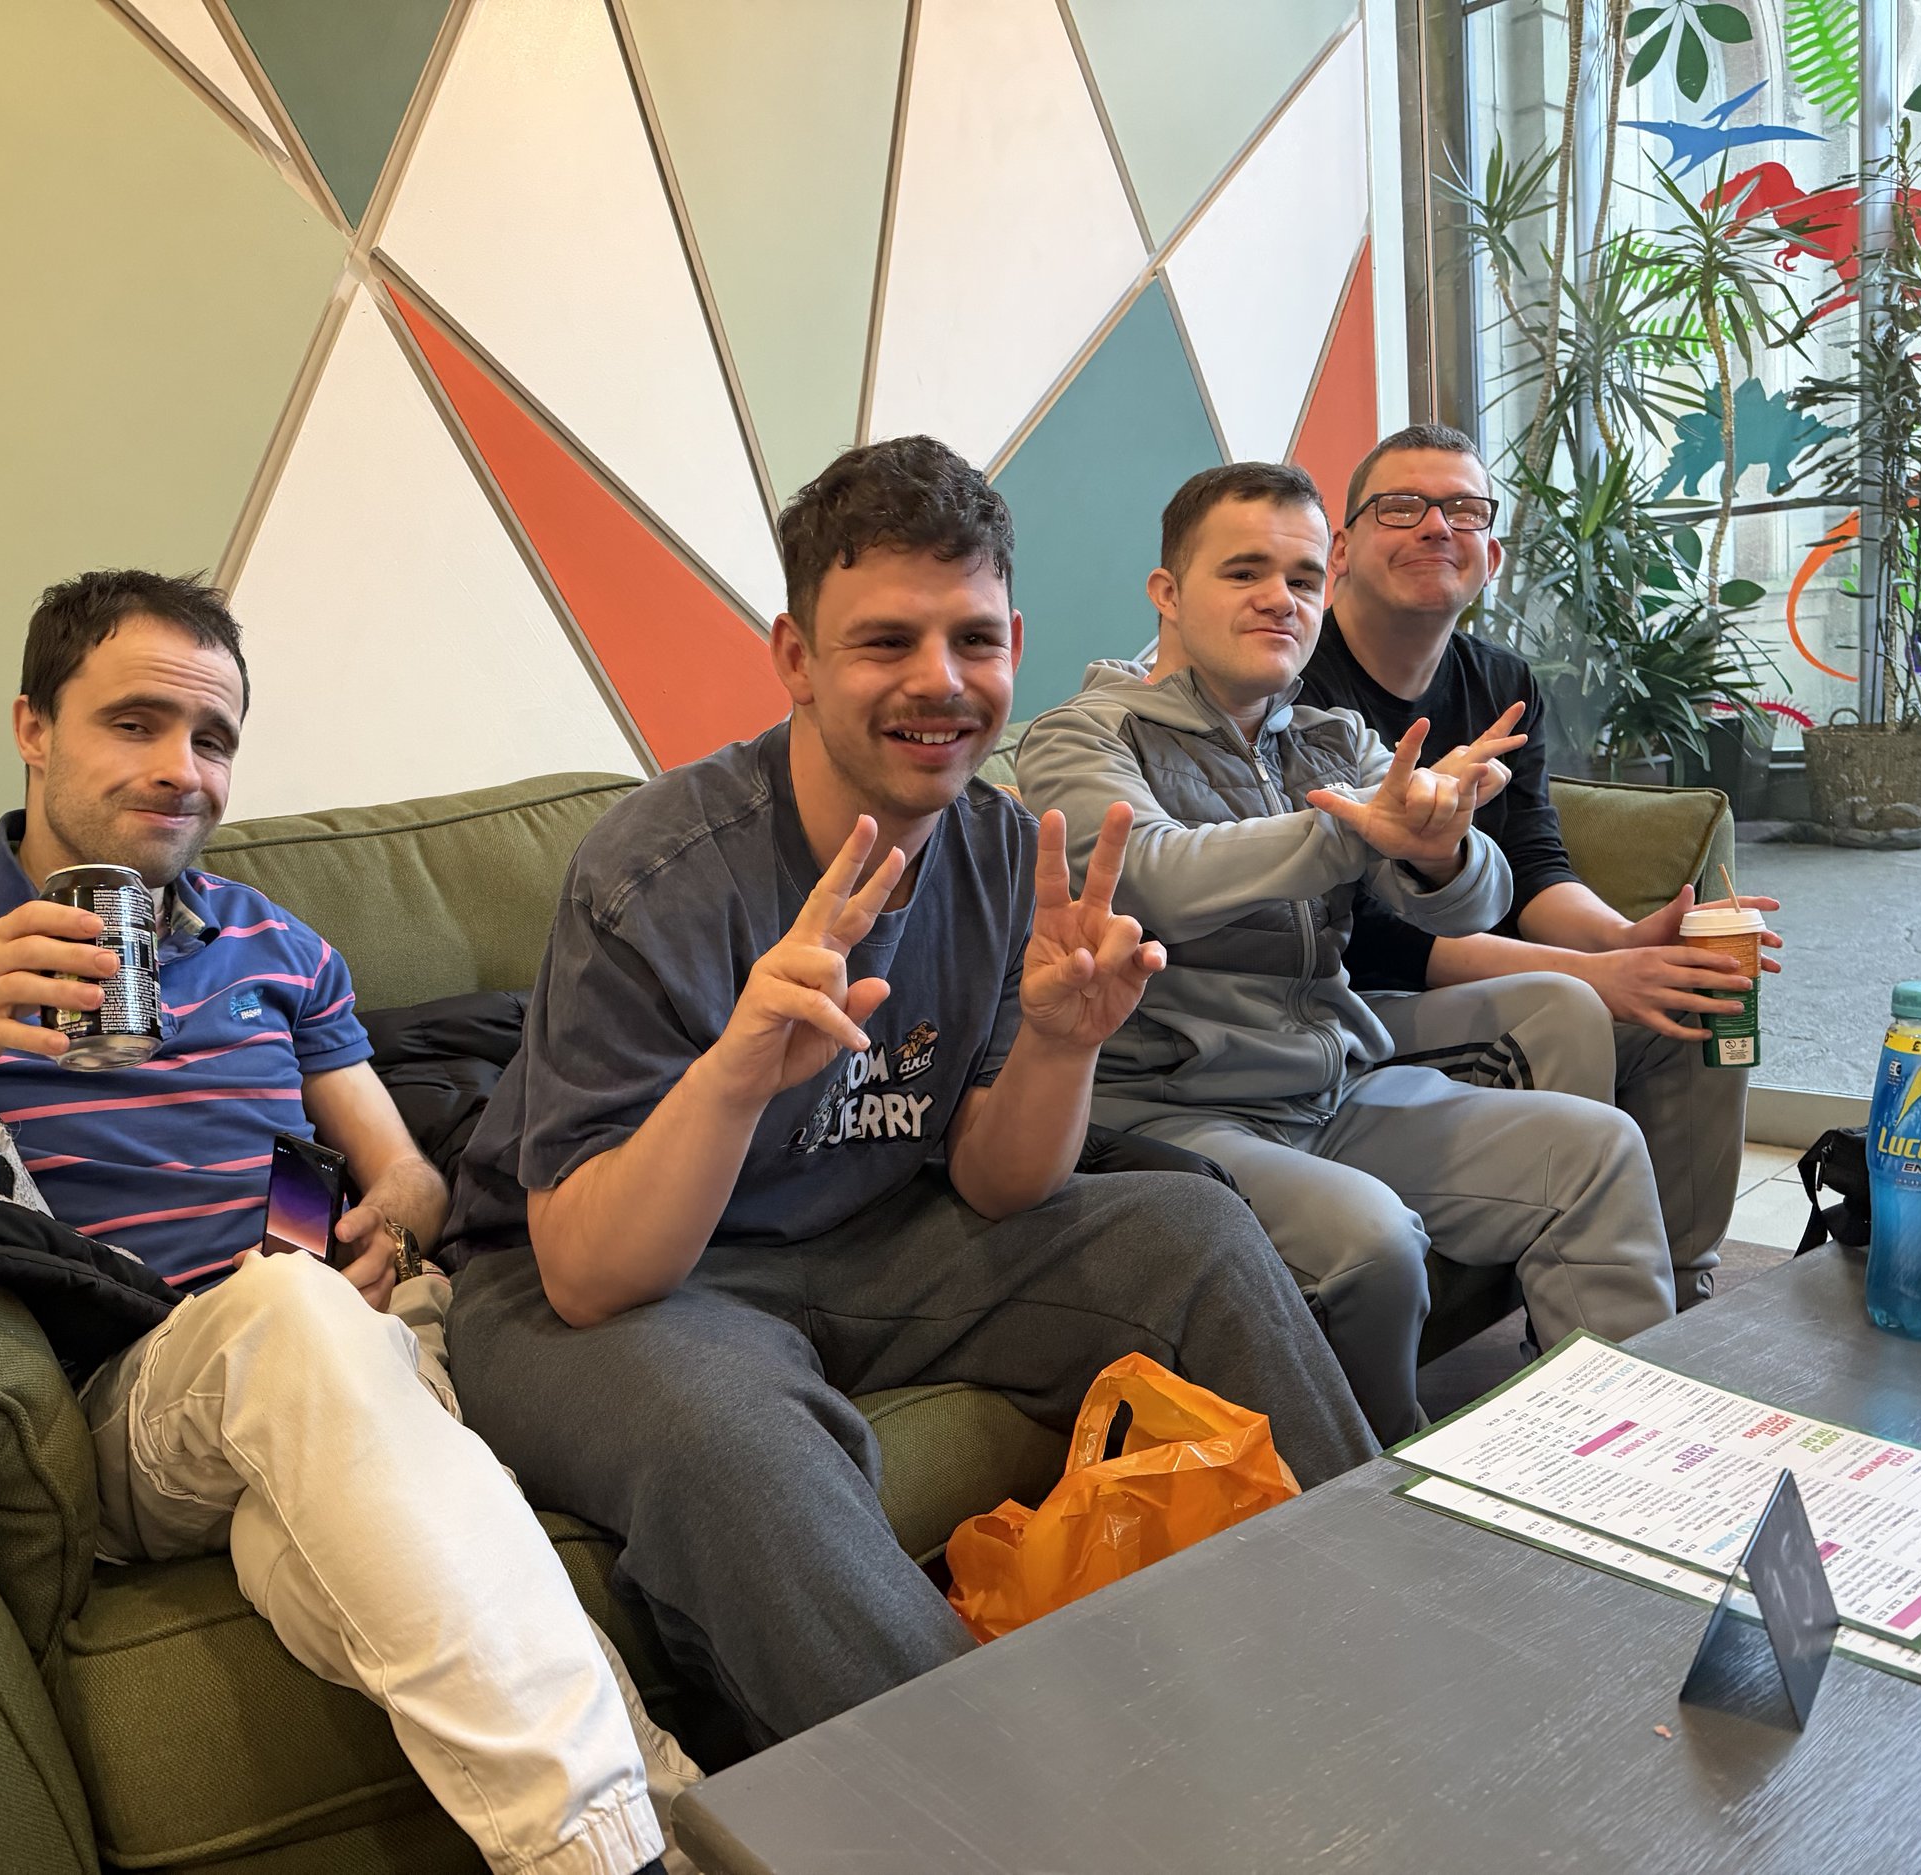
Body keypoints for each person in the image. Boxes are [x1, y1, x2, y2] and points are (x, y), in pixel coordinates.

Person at [0, 571, 683, 1875]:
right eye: (136, 722)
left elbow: (401, 1172)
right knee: (288, 1326)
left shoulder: (280, 946)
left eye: (215, 737)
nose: (182, 769)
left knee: (317, 1541)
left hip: (330, 1347)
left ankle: (661, 1814)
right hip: (129, 1391)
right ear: (33, 728)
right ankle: (626, 1847)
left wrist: (382, 1231)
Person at [444, 437, 1376, 1751]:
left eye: (973, 639)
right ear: (796, 656)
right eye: (885, 641)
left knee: (1194, 1228)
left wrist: (1062, 1042)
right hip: (616, 1281)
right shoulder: (657, 870)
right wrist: (732, 1077)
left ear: (1014, 642)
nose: (939, 683)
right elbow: (590, 1271)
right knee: (730, 1442)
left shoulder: (1001, 847)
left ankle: (1387, 1649)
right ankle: (987, 1816)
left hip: (877, 1233)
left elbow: (1003, 1182)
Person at [1014, 461, 1677, 1444]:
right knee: (1371, 1244)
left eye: (1301, 578)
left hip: (1331, 1089)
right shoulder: (1078, 739)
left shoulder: (1326, 738)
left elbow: (1473, 902)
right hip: (1171, 1116)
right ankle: (1370, 1498)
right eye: (1243, 572)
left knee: (1597, 1151)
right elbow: (1155, 871)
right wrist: (1359, 831)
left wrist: (1443, 839)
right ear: (1166, 593)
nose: (1279, 599)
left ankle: (1629, 1461)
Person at [1295, 423, 1777, 1309]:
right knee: (1569, 1000)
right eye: (1401, 506)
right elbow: (1374, 939)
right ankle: (1558, 1297)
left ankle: (1680, 1282)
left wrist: (1632, 939)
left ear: (1493, 552)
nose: (1437, 526)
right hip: (1363, 998)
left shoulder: (1500, 677)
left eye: (1464, 509)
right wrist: (1599, 972)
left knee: (1701, 992)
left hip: (1480, 975)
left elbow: (1537, 865)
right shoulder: (1297, 691)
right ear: (1343, 548)